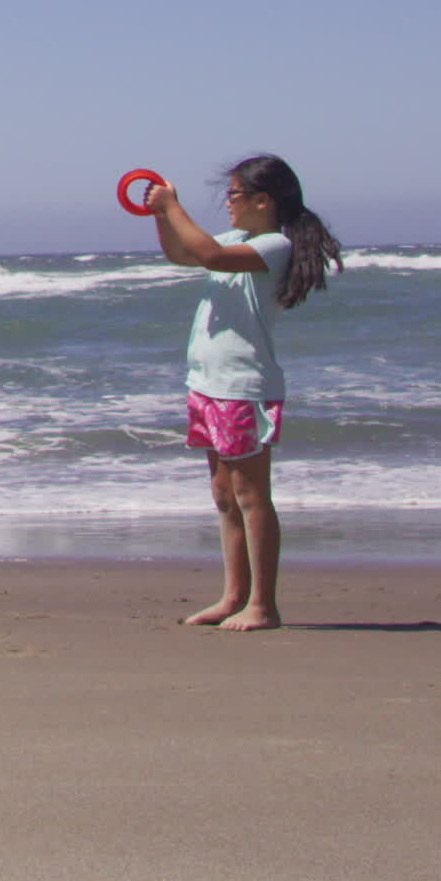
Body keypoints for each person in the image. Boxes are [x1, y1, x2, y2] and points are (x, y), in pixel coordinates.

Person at [143, 154, 343, 631]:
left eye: (233, 195)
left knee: (252, 495)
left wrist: (173, 205)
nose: (227, 204)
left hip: (242, 385)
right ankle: (233, 596)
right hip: (206, 382)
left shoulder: (275, 245)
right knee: (223, 495)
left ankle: (263, 605)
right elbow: (186, 253)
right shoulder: (237, 238)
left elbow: (210, 256)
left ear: (262, 200)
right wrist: (161, 217)